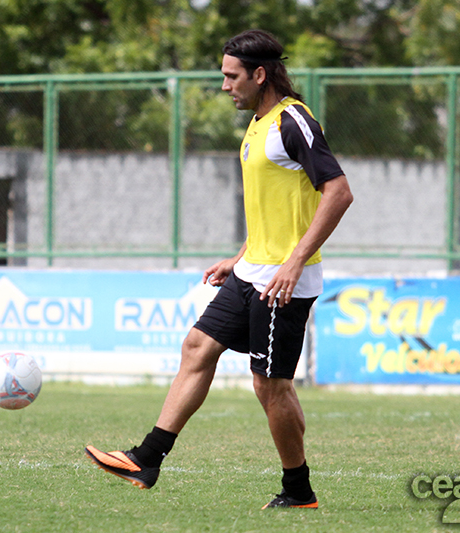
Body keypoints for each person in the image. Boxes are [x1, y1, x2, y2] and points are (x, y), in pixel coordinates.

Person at [85, 29, 353, 509]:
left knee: (271, 389)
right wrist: (241, 255)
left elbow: (338, 192)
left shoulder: (292, 121)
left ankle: (299, 491)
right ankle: (146, 459)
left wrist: (292, 262)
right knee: (196, 346)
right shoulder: (257, 122)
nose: (225, 85)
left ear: (259, 74)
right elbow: (275, 206)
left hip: (283, 282)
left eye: (231, 76)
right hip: (254, 270)